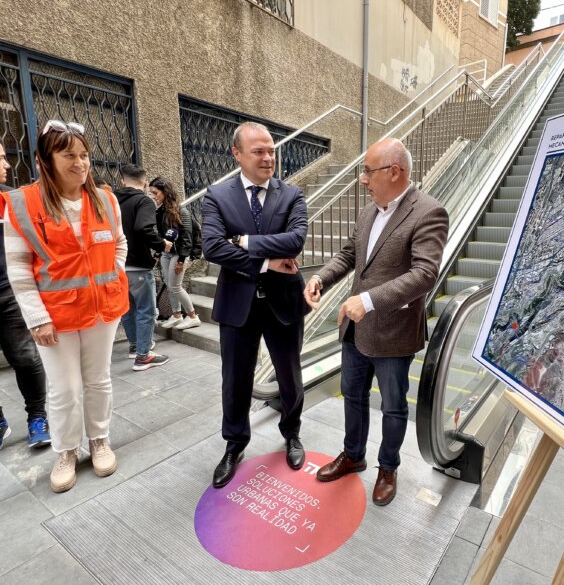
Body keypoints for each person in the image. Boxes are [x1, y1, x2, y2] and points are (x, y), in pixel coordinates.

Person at [304, 138, 448, 506]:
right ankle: (353, 455)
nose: (363, 180)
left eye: (368, 171)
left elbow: (425, 274)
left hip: (393, 333)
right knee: (352, 395)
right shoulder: (370, 211)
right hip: (356, 330)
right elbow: (351, 254)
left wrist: (367, 301)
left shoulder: (429, 212)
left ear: (394, 171)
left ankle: (388, 467)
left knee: (393, 406)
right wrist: (322, 278)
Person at [3, 120, 128, 492]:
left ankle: (99, 441)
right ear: (46, 159)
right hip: (54, 317)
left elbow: (119, 245)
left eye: (84, 155)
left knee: (99, 380)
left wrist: (109, 275)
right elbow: (19, 268)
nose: (80, 163)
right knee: (65, 388)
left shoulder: (106, 199)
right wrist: (36, 317)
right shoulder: (23, 204)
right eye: (68, 154)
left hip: (102, 310)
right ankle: (67, 450)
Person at [202, 121, 309, 488]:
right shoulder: (217, 196)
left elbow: (295, 241)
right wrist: (265, 261)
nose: (268, 158)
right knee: (235, 378)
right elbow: (213, 247)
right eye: (258, 151)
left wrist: (243, 241)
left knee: (289, 375)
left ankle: (292, 433)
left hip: (284, 302)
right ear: (237, 154)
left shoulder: (292, 194)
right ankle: (234, 444)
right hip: (238, 303)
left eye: (271, 150)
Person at [0, 143, 51, 450]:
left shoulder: (10, 200)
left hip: (7, 293)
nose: (7, 165)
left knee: (25, 358)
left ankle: (37, 417)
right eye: (1, 158)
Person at [115, 164, 169, 370]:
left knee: (127, 310)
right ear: (145, 183)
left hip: (117, 265)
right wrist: (162, 244)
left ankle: (135, 346)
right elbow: (144, 227)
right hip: (138, 265)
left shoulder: (112, 200)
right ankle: (143, 356)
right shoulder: (143, 200)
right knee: (146, 311)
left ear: (122, 181)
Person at [149, 176, 200, 330]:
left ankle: (192, 316)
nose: (153, 196)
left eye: (156, 193)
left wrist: (181, 260)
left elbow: (186, 238)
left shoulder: (181, 211)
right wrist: (159, 253)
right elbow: (163, 235)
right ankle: (176, 315)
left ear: (165, 192)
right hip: (167, 253)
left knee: (175, 286)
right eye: (151, 193)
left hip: (179, 254)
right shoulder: (161, 212)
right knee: (169, 284)